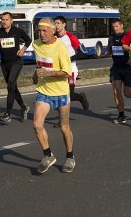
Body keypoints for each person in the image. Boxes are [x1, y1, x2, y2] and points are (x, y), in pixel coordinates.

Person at [31, 17, 75, 174]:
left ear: (53, 31)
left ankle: (70, 157)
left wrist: (49, 72)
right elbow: (39, 63)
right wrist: (36, 75)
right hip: (44, 91)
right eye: (39, 31)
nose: (41, 34)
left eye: (44, 31)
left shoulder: (61, 48)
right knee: (37, 124)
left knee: (64, 128)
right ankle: (48, 155)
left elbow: (67, 72)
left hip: (61, 93)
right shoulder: (36, 44)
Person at [0, 12, 32, 124]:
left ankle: (7, 114)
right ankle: (23, 107)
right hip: (4, 64)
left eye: (7, 19)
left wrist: (23, 50)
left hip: (16, 62)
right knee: (13, 88)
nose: (4, 21)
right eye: (3, 20)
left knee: (10, 85)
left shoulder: (17, 31)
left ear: (11, 21)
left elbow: (28, 40)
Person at [106, 20, 131, 124]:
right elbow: (110, 50)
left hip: (127, 68)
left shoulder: (128, 36)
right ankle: (121, 116)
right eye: (113, 27)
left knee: (127, 93)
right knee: (116, 92)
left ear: (122, 25)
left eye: (117, 26)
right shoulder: (111, 37)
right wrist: (106, 53)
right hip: (116, 68)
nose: (115, 28)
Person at [53, 16, 89, 110]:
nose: (56, 25)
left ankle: (81, 97)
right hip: (59, 70)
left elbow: (83, 53)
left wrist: (67, 59)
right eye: (55, 23)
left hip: (71, 70)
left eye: (58, 23)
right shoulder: (54, 37)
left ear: (64, 24)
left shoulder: (71, 37)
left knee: (70, 95)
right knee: (60, 95)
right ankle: (62, 120)